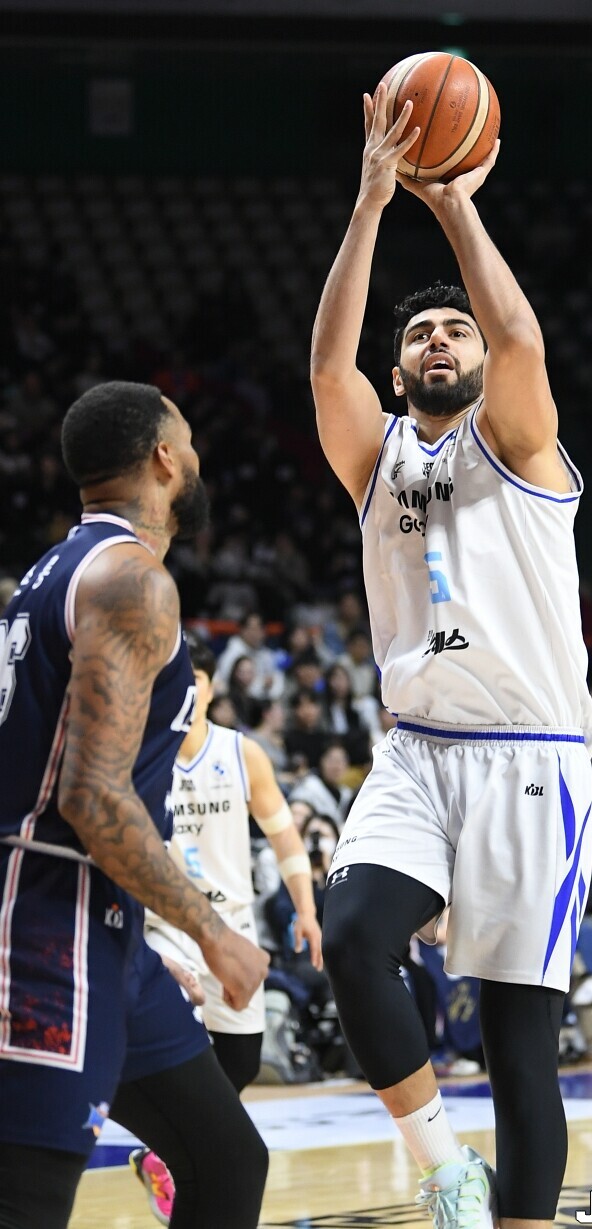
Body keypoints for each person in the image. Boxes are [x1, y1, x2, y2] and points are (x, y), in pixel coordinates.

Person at [310, 84, 592, 1229]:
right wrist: (371, 204)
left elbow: (520, 336)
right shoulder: (375, 453)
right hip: (417, 752)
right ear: (398, 373)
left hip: (532, 757)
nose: (438, 339)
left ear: (480, 361)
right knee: (349, 935)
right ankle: (443, 1168)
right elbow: (325, 370)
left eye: (453, 330)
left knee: (518, 1045)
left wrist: (451, 206)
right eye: (418, 335)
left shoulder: (521, 445)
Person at [0, 382, 270, 1229]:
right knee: (28, 1200)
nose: (195, 456)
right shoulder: (130, 580)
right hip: (50, 930)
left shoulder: (56, 571)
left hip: (104, 928)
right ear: (163, 457)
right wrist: (212, 931)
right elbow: (89, 795)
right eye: (187, 440)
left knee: (225, 1160)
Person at [137, 638, 322, 1224]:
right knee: (180, 1047)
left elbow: (284, 836)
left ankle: (160, 1155)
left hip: (234, 924)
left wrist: (306, 909)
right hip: (168, 926)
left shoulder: (242, 753)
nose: (186, 690)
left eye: (195, 679)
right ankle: (176, 1152)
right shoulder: (142, 749)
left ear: (212, 687)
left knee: (241, 1060)